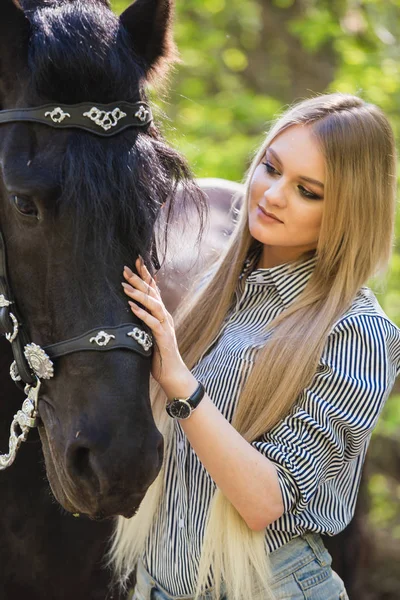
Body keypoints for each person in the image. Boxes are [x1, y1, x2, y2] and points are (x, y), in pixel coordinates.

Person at [113, 93, 400, 600]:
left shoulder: (360, 333)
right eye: (271, 167)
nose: (273, 194)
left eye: (308, 191)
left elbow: (264, 502)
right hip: (155, 584)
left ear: (349, 211)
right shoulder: (219, 288)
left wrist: (180, 382)